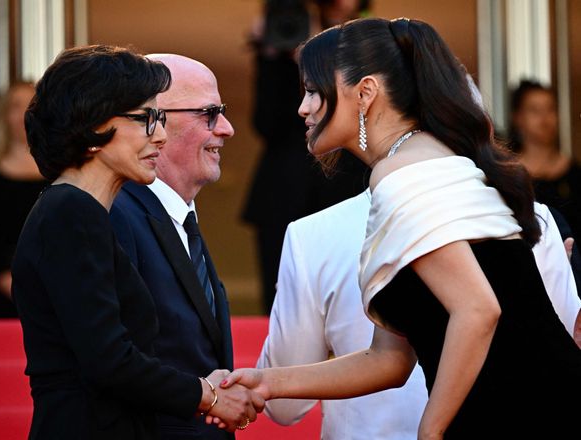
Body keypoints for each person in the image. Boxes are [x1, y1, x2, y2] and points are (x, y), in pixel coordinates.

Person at [220, 18, 581, 439]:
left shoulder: (403, 174)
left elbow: (479, 310)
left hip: (522, 417)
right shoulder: (420, 161)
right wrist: (268, 382)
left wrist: (431, 430)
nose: (302, 107)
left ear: (366, 93)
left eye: (314, 91)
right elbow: (388, 360)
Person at [12, 45, 263, 440]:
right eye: (147, 119)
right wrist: (207, 394)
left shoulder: (81, 211)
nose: (160, 136)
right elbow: (109, 361)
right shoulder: (71, 212)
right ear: (94, 125)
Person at [258, 189, 581, 439]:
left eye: (316, 96)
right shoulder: (530, 219)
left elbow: (284, 409)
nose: (305, 108)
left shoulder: (314, 235)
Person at [109, 54, 238, 440]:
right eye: (209, 113)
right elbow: (114, 361)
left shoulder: (179, 218)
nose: (227, 129)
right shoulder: (115, 214)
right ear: (153, 120)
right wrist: (210, 397)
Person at [241, 0, 370, 314]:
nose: (307, 106)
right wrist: (273, 58)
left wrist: (317, 55)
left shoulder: (369, 45)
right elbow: (266, 124)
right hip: (283, 193)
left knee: (350, 295)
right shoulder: (281, 50)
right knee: (282, 298)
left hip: (346, 186)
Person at [0, 81, 47, 318]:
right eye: (15, 105)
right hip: (5, 305)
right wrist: (24, 294)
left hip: (57, 297)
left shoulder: (62, 174)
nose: (24, 113)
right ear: (4, 115)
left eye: (30, 105)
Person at [509, 79, 581, 240]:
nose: (544, 118)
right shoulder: (509, 176)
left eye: (550, 109)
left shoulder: (575, 174)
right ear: (518, 117)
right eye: (535, 110)